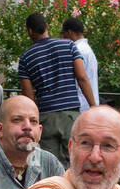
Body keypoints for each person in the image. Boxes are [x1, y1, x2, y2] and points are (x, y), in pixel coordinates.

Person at [17, 12, 97, 159]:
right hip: (70, 115)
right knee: (76, 160)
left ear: (29, 31)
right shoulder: (69, 45)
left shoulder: (25, 58)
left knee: (50, 163)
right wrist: (93, 106)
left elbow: (29, 97)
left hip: (46, 118)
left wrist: (33, 121)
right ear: (47, 26)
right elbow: (82, 78)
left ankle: (55, 183)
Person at [61, 17, 99, 114]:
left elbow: (81, 78)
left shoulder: (76, 50)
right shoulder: (88, 50)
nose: (61, 37)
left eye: (62, 33)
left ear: (69, 32)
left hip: (81, 106)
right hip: (91, 103)